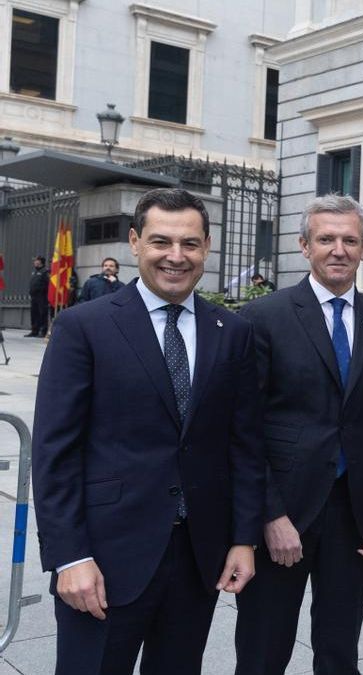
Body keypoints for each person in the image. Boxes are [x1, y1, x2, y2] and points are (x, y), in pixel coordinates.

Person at [32, 188, 265, 674]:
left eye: (190, 244)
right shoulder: (83, 327)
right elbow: (55, 451)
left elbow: (243, 445)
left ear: (206, 247)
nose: (176, 257)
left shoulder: (233, 331)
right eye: (161, 242)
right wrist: (69, 556)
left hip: (198, 557)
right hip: (103, 559)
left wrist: (243, 538)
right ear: (136, 242)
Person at [233, 194, 363, 675]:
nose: (338, 249)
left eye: (349, 240)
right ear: (303, 246)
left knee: (339, 649)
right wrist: (270, 514)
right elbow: (244, 428)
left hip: (355, 512)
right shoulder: (263, 317)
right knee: (263, 648)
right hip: (283, 512)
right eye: (326, 239)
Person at [27, 254, 48, 337]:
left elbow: (48, 284)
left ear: (41, 262)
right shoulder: (34, 272)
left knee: (42, 313)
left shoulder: (45, 272)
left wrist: (42, 291)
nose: (34, 262)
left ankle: (43, 331)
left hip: (41, 296)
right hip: (34, 296)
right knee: (34, 313)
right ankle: (34, 331)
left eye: (36, 260)